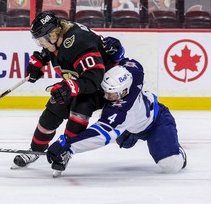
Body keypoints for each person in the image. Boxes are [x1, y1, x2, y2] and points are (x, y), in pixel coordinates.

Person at [11, 11, 125, 169]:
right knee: (52, 111)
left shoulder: (80, 43)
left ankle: (66, 150)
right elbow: (53, 50)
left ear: (52, 35)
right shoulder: (60, 34)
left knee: (80, 110)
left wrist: (69, 86)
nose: (40, 44)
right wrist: (39, 60)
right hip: (81, 81)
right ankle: (35, 151)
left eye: (40, 40)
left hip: (101, 87)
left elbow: (93, 79)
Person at [46, 58, 187, 177]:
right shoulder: (134, 72)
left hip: (156, 122)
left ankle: (175, 149)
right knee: (124, 142)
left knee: (170, 165)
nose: (106, 97)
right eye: (105, 92)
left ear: (124, 91)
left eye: (111, 94)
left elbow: (99, 135)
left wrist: (69, 145)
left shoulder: (122, 111)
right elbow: (124, 62)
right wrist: (117, 52)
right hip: (131, 128)